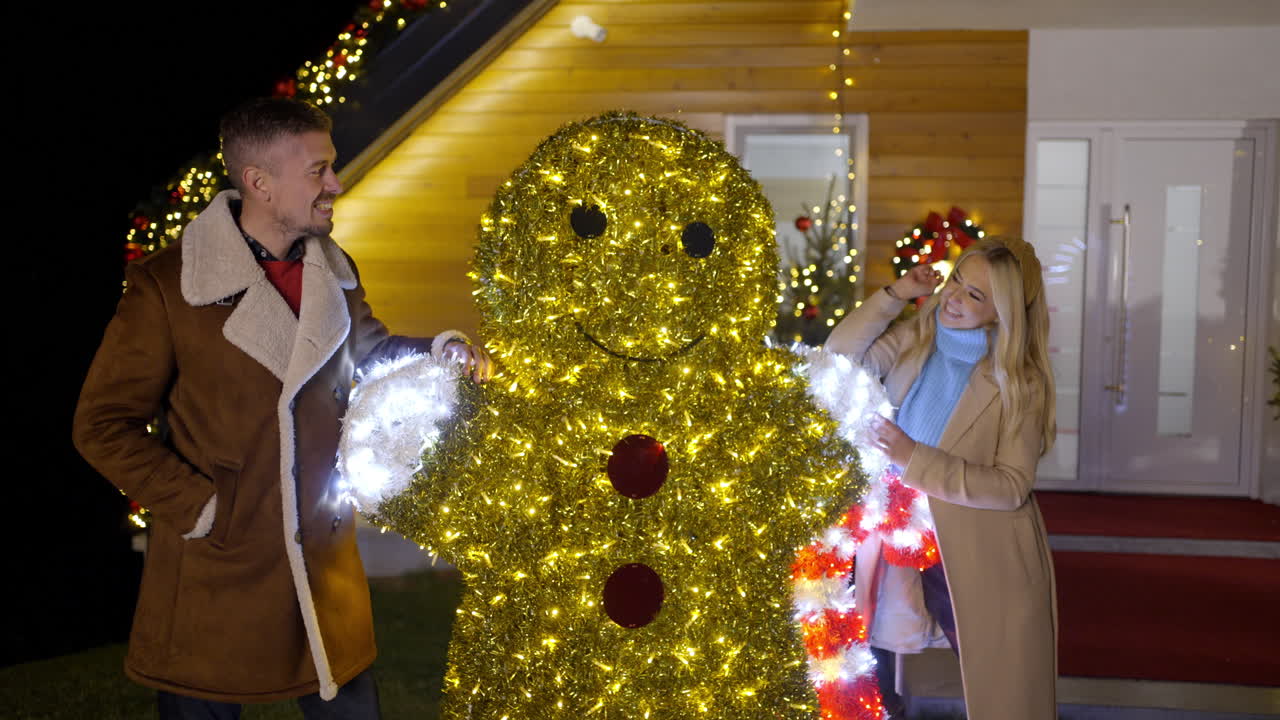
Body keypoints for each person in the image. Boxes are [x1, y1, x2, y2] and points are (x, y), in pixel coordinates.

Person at [72, 97, 492, 719]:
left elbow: (366, 353)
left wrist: (441, 350)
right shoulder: (169, 287)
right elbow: (101, 426)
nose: (336, 184)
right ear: (259, 184)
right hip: (216, 570)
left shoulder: (334, 268)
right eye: (318, 171)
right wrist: (203, 508)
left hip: (323, 569)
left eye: (333, 167)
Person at [826, 237, 1058, 720]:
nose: (954, 298)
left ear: (1004, 312)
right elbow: (839, 358)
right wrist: (895, 295)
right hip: (887, 527)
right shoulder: (918, 335)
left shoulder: (1020, 381)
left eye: (976, 295)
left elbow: (1012, 485)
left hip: (972, 543)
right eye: (957, 282)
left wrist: (914, 457)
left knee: (999, 682)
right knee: (865, 660)